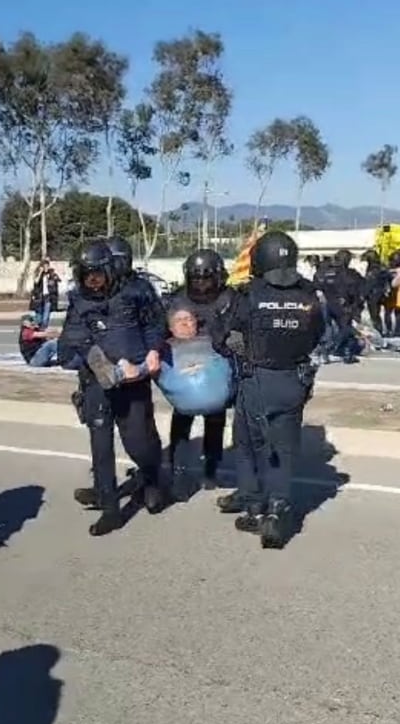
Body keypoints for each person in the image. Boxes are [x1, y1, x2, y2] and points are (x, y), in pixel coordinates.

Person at [211, 231, 325, 549]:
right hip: (294, 380)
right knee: (283, 450)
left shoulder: (247, 295)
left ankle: (253, 507)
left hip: (256, 381)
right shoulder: (309, 295)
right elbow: (318, 334)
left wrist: (234, 344)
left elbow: (221, 337)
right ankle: (277, 509)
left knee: (248, 446)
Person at [58, 240, 168, 536]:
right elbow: (73, 339)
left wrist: (154, 351)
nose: (92, 282)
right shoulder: (79, 300)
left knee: (139, 443)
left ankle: (151, 478)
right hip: (97, 383)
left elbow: (156, 324)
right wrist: (100, 363)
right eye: (86, 275)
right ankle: (110, 507)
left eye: (97, 275)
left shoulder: (136, 291)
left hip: (134, 382)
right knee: (100, 445)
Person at [164, 249, 235, 499]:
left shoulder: (230, 298)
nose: (201, 285)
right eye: (196, 279)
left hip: (216, 368)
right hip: (185, 367)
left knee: (215, 419)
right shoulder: (178, 299)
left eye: (206, 279)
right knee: (182, 419)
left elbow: (239, 329)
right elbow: (163, 331)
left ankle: (211, 469)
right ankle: (178, 470)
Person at [316, 250, 361, 363]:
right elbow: (354, 290)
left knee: (328, 329)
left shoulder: (324, 271)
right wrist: (354, 305)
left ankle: (340, 352)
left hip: (326, 303)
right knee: (345, 329)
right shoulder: (348, 273)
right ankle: (332, 350)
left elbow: (317, 285)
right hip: (342, 304)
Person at [362, 250, 391, 335]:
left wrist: (364, 294)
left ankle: (378, 332)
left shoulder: (372, 269)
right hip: (382, 294)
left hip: (373, 295)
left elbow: (369, 283)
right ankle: (385, 331)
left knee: (375, 316)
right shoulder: (383, 267)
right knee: (383, 314)